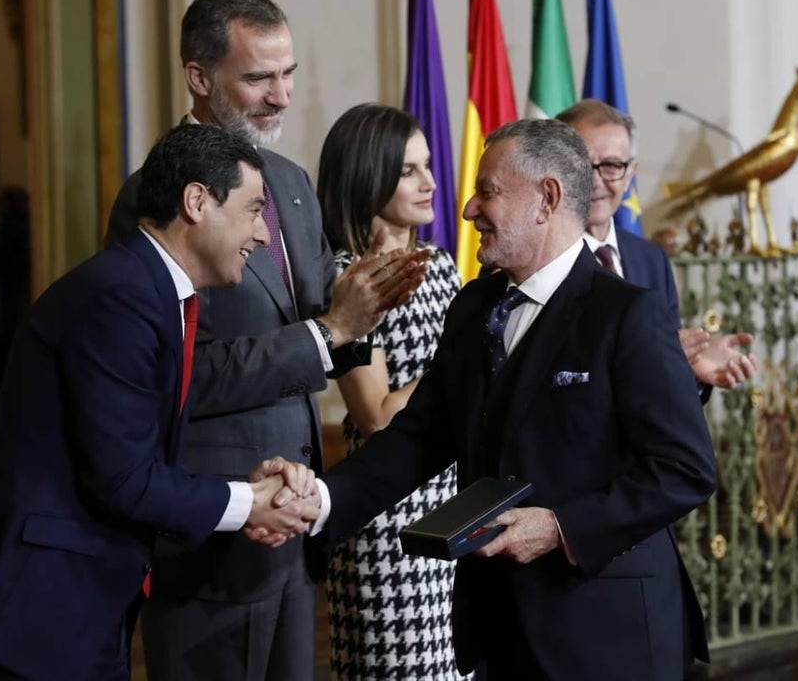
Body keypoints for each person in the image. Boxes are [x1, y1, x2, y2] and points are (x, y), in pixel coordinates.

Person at [304, 119, 718, 679]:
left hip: (606, 632)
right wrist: (319, 503)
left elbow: (684, 469)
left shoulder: (628, 316)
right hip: (497, 630)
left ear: (546, 199)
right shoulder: (474, 306)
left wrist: (560, 528)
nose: (470, 208)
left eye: (488, 191)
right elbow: (420, 438)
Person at [106, 0, 427, 681]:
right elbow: (176, 375)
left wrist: (368, 304)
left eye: (289, 75)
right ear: (200, 77)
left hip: (298, 511)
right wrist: (329, 327)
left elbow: (331, 325)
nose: (281, 96)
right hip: (214, 525)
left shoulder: (291, 181)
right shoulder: (154, 197)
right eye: (259, 78)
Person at [0, 124, 319, 681]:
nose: (261, 234)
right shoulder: (122, 298)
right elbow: (124, 479)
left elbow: (135, 451)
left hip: (73, 606)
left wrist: (252, 489)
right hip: (32, 610)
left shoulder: (151, 291)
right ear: (196, 202)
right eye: (253, 209)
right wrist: (249, 502)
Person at [315, 103, 465, 679]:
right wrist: (457, 365)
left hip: (454, 507)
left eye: (427, 166)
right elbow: (376, 416)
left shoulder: (442, 265)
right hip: (386, 522)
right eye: (409, 171)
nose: (431, 182)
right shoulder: (349, 278)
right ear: (366, 175)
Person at [555, 99, 756, 391]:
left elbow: (662, 371)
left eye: (611, 166)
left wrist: (693, 368)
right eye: (581, 167)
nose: (596, 182)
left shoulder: (651, 260)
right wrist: (657, 354)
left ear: (630, 176)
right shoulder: (534, 263)